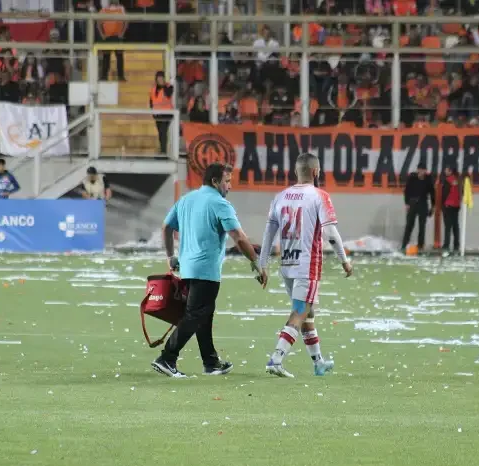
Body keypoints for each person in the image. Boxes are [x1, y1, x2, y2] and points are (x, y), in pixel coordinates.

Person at [152, 163, 264, 378]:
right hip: (206, 269)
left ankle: (210, 363)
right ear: (215, 181)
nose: (229, 186)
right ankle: (167, 357)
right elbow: (238, 236)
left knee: (203, 315)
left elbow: (166, 227)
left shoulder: (186, 200)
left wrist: (170, 256)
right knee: (195, 315)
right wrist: (256, 262)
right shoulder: (220, 204)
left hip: (187, 267)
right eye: (227, 181)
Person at [258, 153, 352, 378]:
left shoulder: (280, 197)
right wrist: (344, 260)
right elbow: (330, 232)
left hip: (287, 263)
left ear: (296, 172)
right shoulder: (319, 196)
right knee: (300, 312)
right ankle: (276, 359)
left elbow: (269, 233)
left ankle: (318, 362)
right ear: (316, 172)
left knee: (308, 312)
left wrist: (262, 264)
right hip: (307, 264)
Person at [401, 164, 434, 253]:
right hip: (412, 203)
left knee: (422, 226)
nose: (422, 172)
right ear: (418, 170)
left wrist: (432, 206)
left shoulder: (428, 179)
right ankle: (404, 244)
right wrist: (407, 203)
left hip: (423, 203)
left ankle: (420, 245)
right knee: (409, 225)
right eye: (420, 170)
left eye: (424, 170)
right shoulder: (412, 178)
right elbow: (406, 191)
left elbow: (432, 193)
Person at [98, 0, 127, 81]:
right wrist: (102, 34)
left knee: (119, 56)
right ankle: (104, 76)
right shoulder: (104, 9)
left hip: (117, 37)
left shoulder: (121, 8)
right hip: (107, 37)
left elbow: (126, 21)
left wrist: (122, 33)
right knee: (106, 57)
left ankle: (121, 76)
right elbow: (98, 22)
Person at [149, 71, 174, 154]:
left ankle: (164, 152)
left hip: (166, 114)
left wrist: (163, 85)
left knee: (163, 132)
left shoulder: (169, 87)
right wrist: (153, 112)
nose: (160, 79)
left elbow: (168, 94)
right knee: (160, 133)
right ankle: (162, 150)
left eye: (161, 78)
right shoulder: (153, 89)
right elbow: (151, 101)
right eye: (158, 78)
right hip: (157, 115)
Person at [440, 167, 461, 256]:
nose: (445, 171)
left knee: (448, 227)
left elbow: (444, 194)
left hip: (448, 206)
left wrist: (442, 206)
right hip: (456, 206)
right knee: (455, 227)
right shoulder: (458, 180)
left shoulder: (447, 180)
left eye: (446, 170)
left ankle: (446, 246)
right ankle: (456, 246)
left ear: (450, 171)